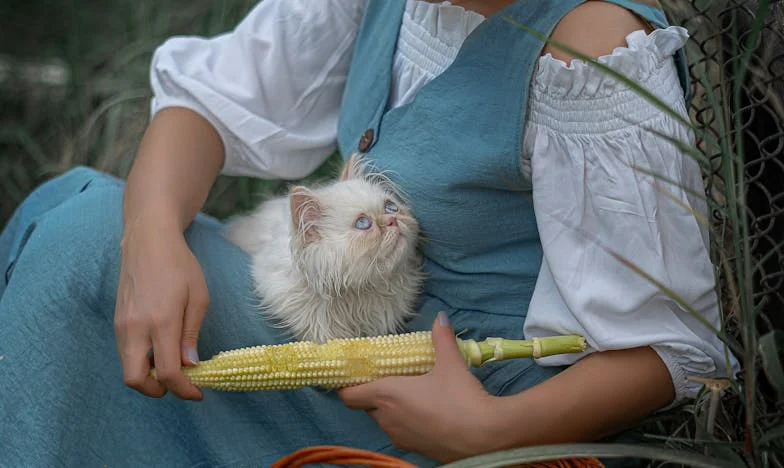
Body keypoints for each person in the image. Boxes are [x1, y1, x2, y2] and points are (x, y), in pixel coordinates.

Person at [0, 0, 736, 466]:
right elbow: (212, 102)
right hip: (348, 333)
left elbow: (674, 347)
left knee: (78, 249)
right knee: (90, 219)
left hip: (462, 399)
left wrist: (489, 431)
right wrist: (152, 234)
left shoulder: (589, 44)